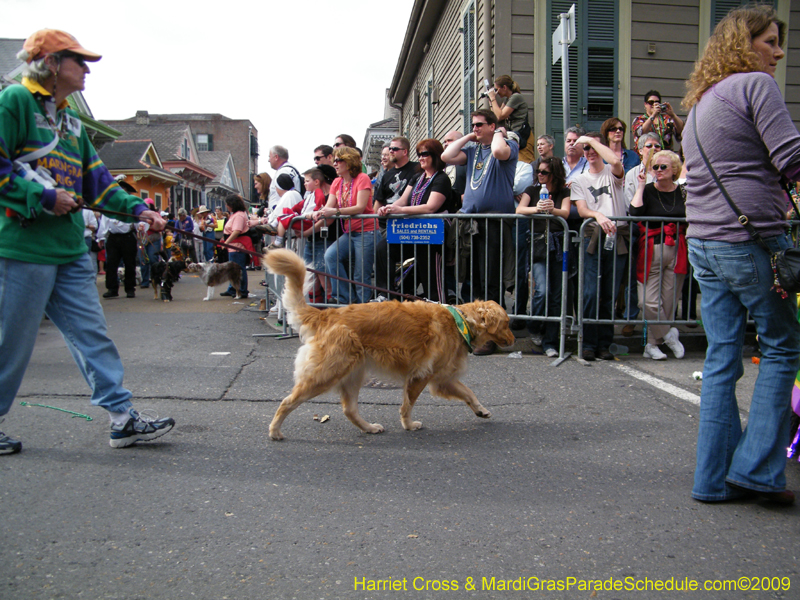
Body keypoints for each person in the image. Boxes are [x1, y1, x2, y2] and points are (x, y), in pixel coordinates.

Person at [0, 29, 174, 453]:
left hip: (69, 250)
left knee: (93, 335)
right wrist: (40, 195)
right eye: (80, 62)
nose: (87, 70)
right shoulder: (14, 101)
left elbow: (97, 181)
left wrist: (138, 210)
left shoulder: (70, 121)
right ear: (51, 63)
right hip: (22, 249)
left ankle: (121, 418)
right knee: (11, 342)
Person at [681, 4, 799, 504]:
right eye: (768, 41)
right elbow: (792, 159)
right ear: (741, 44)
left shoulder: (701, 103)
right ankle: (756, 471)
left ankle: (713, 480)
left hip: (704, 242)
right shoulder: (756, 86)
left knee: (724, 356)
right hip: (749, 239)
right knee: (782, 346)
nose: (777, 51)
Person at [442, 109, 519, 355]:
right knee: (473, 279)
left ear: (493, 126)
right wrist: (468, 136)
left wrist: (497, 133)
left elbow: (498, 152)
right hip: (471, 222)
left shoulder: (508, 144)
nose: (475, 128)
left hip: (494, 222)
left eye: (479, 125)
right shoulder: (473, 150)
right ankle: (476, 332)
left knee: (490, 279)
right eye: (473, 124)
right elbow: (446, 155)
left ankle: (491, 336)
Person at [571, 132, 628, 362]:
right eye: (586, 149)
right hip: (592, 236)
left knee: (609, 292)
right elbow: (583, 210)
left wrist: (590, 140)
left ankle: (605, 343)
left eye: (594, 147)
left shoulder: (612, 173)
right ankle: (588, 342)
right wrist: (598, 215)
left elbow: (615, 161)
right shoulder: (579, 179)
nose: (590, 152)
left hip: (617, 235)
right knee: (590, 291)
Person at [376, 138, 452, 301]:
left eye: (425, 154)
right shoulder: (417, 177)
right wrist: (389, 208)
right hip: (413, 230)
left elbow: (430, 207)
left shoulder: (441, 178)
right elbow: (402, 200)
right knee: (384, 248)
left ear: (435, 155)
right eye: (419, 154)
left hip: (433, 233)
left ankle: (438, 304)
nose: (421, 157)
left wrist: (401, 210)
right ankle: (386, 294)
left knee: (430, 269)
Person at [628, 150, 687, 360]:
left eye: (663, 167)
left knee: (668, 300)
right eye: (655, 167)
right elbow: (634, 213)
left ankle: (652, 345)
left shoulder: (683, 192)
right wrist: (642, 186)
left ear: (674, 170)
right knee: (647, 301)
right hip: (652, 248)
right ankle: (669, 334)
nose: (658, 170)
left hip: (677, 247)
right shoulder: (648, 189)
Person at [516, 157, 571, 357]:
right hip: (539, 243)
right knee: (543, 290)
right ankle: (534, 324)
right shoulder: (532, 190)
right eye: (538, 171)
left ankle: (551, 342)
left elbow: (565, 212)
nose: (540, 175)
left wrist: (552, 210)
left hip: (558, 243)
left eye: (544, 172)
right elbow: (520, 209)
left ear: (554, 174)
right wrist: (538, 209)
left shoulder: (563, 191)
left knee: (556, 296)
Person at [314, 147, 377, 304]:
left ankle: (363, 310)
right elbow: (330, 206)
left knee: (361, 274)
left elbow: (360, 207)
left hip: (366, 231)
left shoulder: (362, 178)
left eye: (338, 160)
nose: (334, 163)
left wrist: (333, 212)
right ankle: (344, 299)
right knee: (330, 256)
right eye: (334, 160)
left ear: (349, 162)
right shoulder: (337, 182)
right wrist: (319, 213)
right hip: (351, 231)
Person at [220, 194, 252, 300]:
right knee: (233, 269)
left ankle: (242, 290)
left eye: (228, 204)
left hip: (236, 246)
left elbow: (236, 231)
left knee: (238, 269)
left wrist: (226, 242)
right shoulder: (236, 214)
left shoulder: (239, 215)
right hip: (233, 246)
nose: (226, 206)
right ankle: (233, 288)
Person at [486, 74, 530, 149]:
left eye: (497, 89)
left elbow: (501, 115)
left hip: (521, 134)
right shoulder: (507, 100)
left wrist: (493, 98)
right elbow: (497, 117)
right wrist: (491, 102)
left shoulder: (516, 97)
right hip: (515, 134)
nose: (496, 92)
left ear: (504, 87)